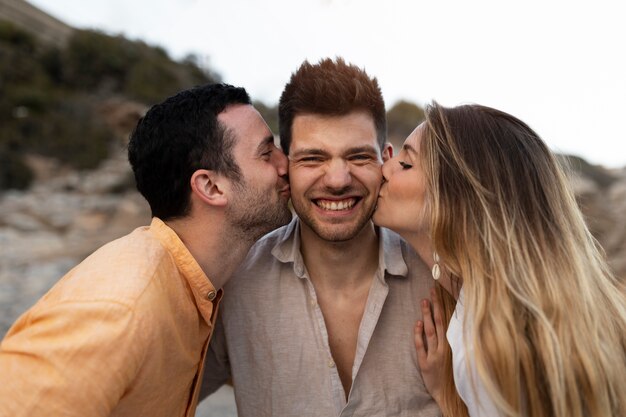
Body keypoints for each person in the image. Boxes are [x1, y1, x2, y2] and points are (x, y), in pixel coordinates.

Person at [0, 83, 292, 417]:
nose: (287, 165)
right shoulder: (121, 309)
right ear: (211, 187)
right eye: (267, 153)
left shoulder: (196, 288)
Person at [199, 58, 441, 416]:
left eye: (358, 156)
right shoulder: (232, 282)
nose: (338, 180)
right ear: (285, 165)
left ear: (386, 160)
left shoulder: (442, 279)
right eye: (313, 159)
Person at [373, 102, 626, 417]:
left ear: (456, 202)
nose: (383, 168)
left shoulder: (488, 347)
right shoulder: (526, 321)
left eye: (406, 163)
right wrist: (447, 393)